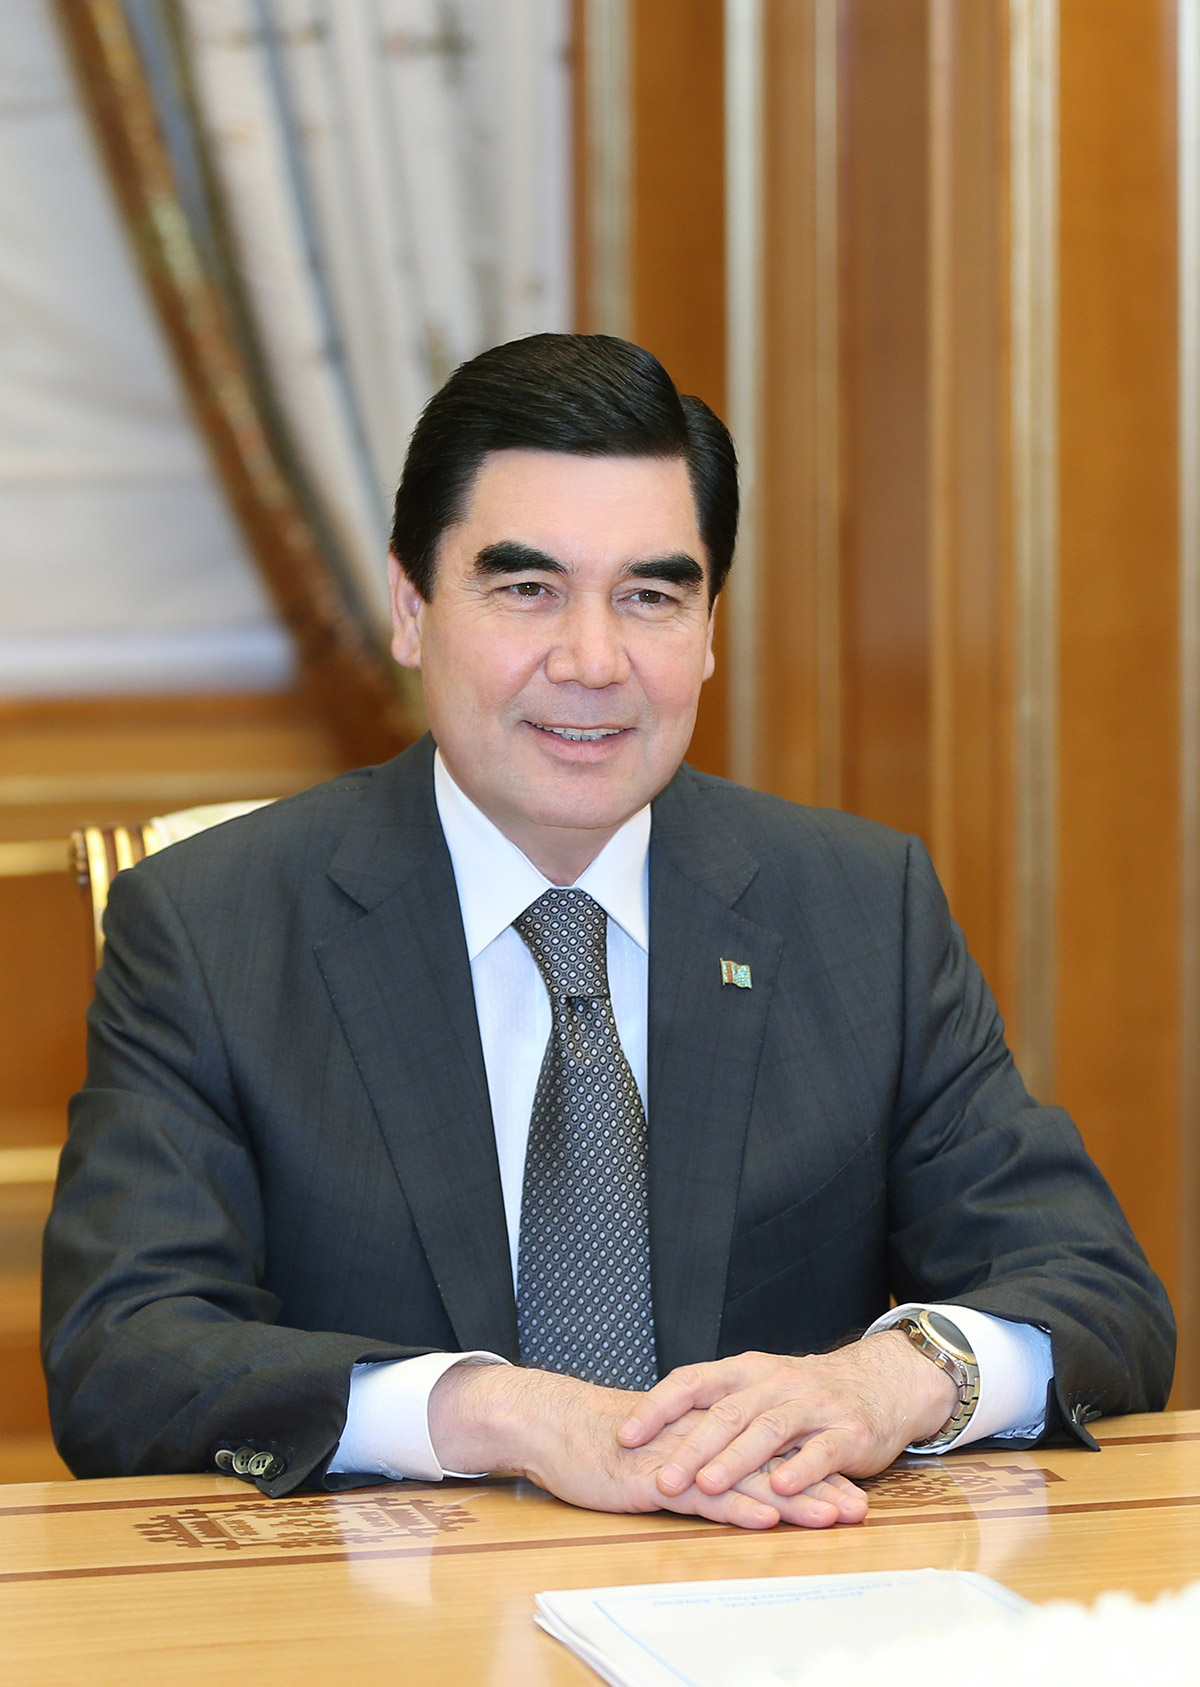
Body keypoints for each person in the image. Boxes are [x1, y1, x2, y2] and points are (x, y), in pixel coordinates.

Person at [42, 334, 1173, 1531]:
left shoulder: (858, 908)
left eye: (651, 597)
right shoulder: (211, 926)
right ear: (412, 609)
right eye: (527, 589)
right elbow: (123, 1350)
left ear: (710, 630)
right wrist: (498, 1412)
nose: (592, 661)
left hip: (773, 1585)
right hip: (393, 1604)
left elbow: (1097, 1290)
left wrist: (889, 1381)